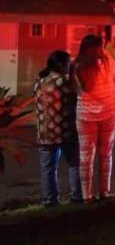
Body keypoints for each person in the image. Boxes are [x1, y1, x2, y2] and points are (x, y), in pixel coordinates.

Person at [74, 34, 115, 204]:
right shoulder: (107, 61)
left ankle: (87, 196)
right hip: (109, 111)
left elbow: (76, 90)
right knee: (106, 154)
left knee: (86, 156)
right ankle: (105, 192)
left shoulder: (77, 65)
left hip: (85, 114)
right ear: (99, 47)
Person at [34, 50, 83, 206]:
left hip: (44, 133)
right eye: (68, 63)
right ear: (61, 65)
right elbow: (79, 93)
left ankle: (50, 200)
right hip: (65, 131)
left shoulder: (40, 81)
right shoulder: (65, 81)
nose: (70, 66)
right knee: (75, 164)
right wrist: (74, 72)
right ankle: (76, 197)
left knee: (48, 169)